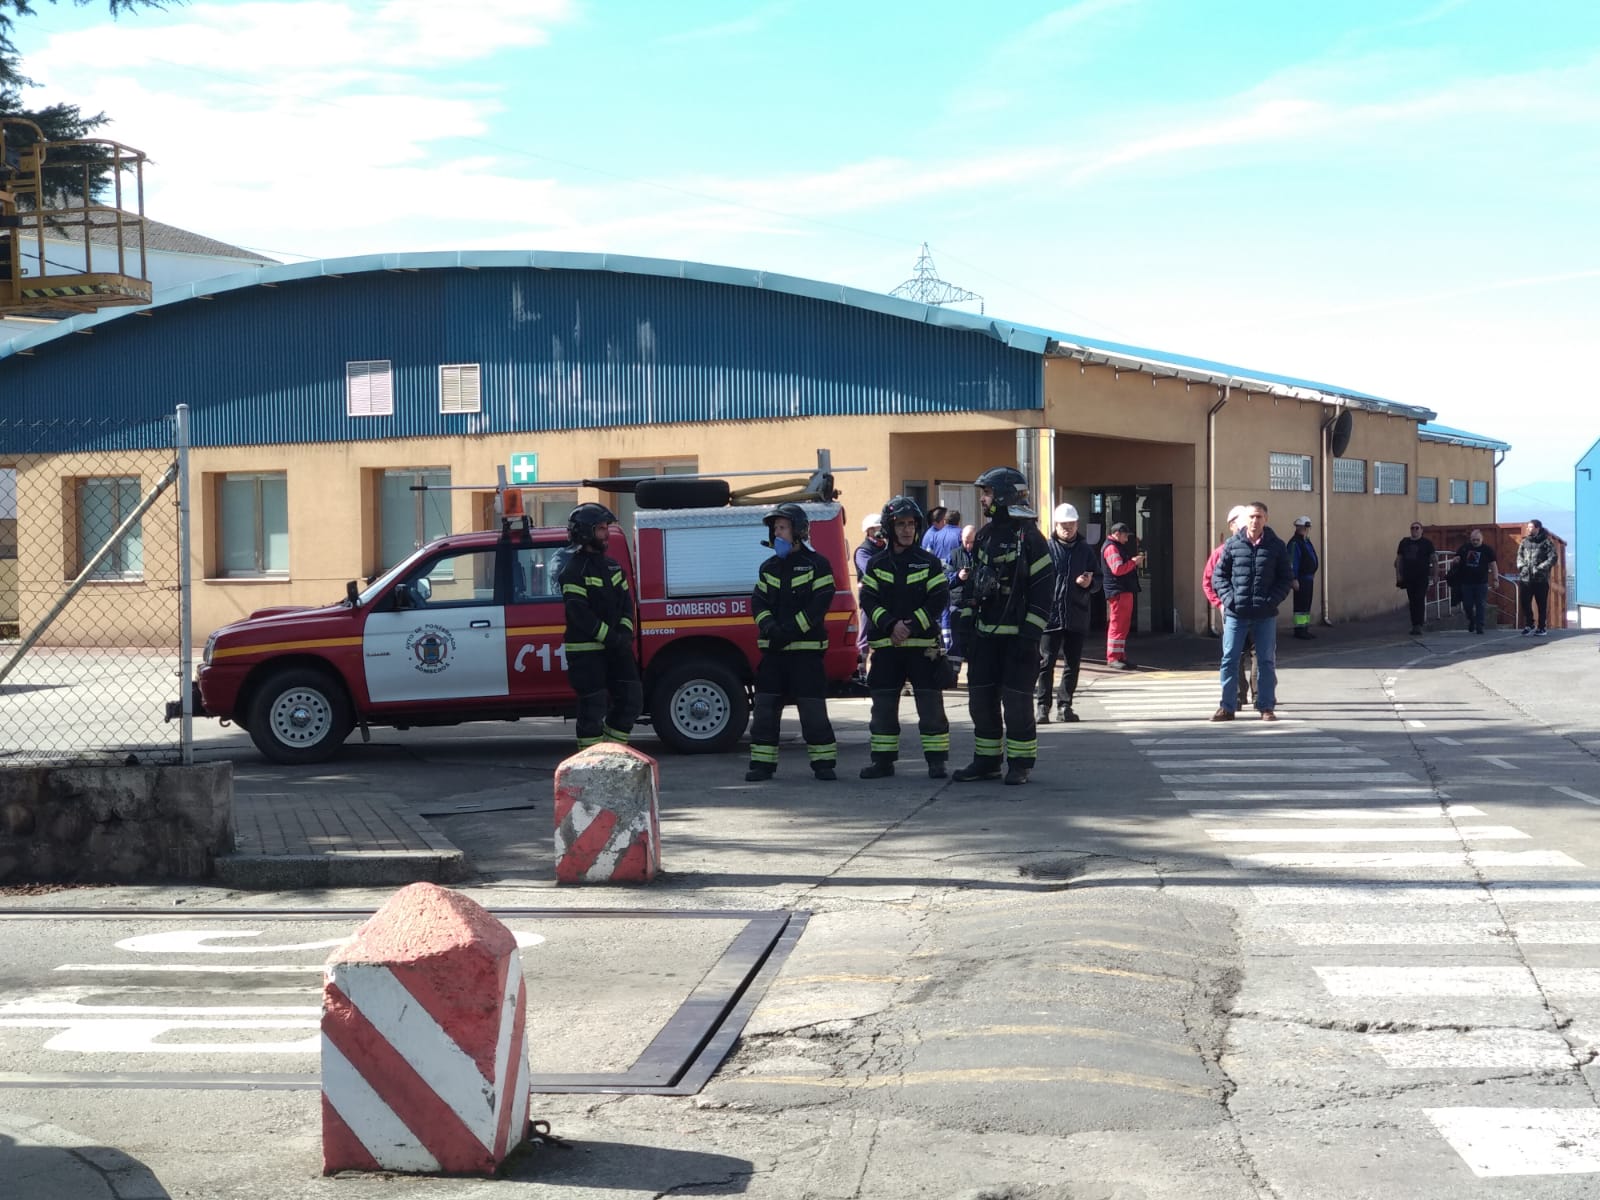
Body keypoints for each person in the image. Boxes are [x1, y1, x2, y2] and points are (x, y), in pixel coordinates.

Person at [953, 466, 1052, 786]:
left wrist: (1030, 635)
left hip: (1018, 641)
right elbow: (971, 587)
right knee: (980, 703)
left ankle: (1020, 765)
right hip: (985, 638)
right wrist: (966, 628)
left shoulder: (1031, 539)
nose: (983, 499)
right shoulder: (983, 536)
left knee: (1017, 705)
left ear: (1006, 496)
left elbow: (1043, 591)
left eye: (988, 493)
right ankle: (986, 762)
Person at [858, 496, 952, 780]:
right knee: (883, 708)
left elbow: (939, 598)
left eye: (911, 524)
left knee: (931, 708)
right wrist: (890, 625)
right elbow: (869, 600)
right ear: (889, 527)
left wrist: (909, 626)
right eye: (901, 524)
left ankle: (936, 762)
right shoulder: (876, 564)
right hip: (887, 649)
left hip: (923, 650)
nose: (907, 530)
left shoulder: (929, 562)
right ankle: (883, 762)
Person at [746, 503, 839, 782]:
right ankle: (762, 766)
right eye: (775, 529)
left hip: (806, 654)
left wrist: (790, 629)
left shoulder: (817, 565)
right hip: (774, 654)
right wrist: (769, 626)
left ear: (799, 531)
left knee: (812, 712)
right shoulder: (768, 567)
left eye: (782, 528)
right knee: (764, 711)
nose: (777, 534)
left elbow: (820, 604)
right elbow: (758, 602)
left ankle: (823, 764)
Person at [559, 502, 642, 749]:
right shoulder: (573, 571)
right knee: (593, 708)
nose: (606, 534)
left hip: (616, 648)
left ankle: (612, 751)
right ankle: (590, 764)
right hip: (586, 653)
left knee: (632, 701)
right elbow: (579, 615)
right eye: (601, 528)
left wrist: (625, 633)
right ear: (585, 532)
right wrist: (612, 638)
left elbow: (627, 605)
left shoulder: (612, 566)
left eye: (606, 528)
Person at [1211, 501, 1293, 722]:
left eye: (1259, 517)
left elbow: (1285, 579)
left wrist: (1271, 601)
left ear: (1265, 519)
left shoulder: (1276, 546)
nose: (1255, 521)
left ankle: (1266, 706)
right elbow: (1218, 577)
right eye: (1252, 517)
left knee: (1266, 660)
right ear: (1244, 520)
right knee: (1229, 659)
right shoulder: (1232, 545)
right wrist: (1230, 600)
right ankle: (1227, 707)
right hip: (1236, 614)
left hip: (1264, 615)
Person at [1036, 503, 1098, 723]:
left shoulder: (1085, 550)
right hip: (1050, 616)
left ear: (1076, 524)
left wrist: (1089, 583)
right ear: (1056, 525)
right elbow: (1036, 579)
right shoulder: (1046, 548)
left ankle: (1065, 706)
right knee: (1045, 663)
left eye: (1071, 524)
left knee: (1072, 664)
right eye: (1064, 525)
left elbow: (1098, 579)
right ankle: (1043, 706)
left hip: (1076, 613)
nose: (1067, 529)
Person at [1203, 506, 1255, 708]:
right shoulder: (1222, 552)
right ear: (1233, 525)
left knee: (1253, 653)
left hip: (1255, 610)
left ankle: (1253, 695)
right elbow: (1209, 580)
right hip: (1233, 611)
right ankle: (1243, 695)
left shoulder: (1260, 547)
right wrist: (1221, 603)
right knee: (1238, 653)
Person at [1100, 522, 1144, 669]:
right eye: (1125, 535)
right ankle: (1113, 657)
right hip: (1118, 591)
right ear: (1117, 533)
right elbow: (1117, 569)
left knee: (1123, 625)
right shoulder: (1111, 548)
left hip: (1123, 590)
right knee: (1117, 625)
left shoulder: (1115, 546)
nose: (1126, 539)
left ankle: (1120, 655)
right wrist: (1133, 562)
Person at [852, 513, 886, 679]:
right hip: (869, 599)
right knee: (864, 636)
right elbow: (871, 571)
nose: (882, 531)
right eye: (879, 528)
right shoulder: (863, 551)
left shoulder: (886, 547)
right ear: (870, 530)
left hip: (885, 598)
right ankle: (861, 670)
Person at [1516, 518, 1558, 636]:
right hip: (1525, 579)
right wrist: (1522, 567)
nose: (1529, 529)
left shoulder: (1546, 542)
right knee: (1525, 603)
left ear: (1537, 528)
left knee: (1541, 604)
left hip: (1540, 579)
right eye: (1528, 527)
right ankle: (1529, 624)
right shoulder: (1524, 542)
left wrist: (1541, 567)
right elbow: (1519, 556)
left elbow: (1553, 557)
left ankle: (1541, 627)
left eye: (1531, 527)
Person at [1394, 521, 1436, 636]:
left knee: (1419, 598)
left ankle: (1419, 624)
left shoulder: (1427, 543)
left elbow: (1434, 559)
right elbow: (1399, 559)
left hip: (1422, 577)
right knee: (1412, 601)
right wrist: (1398, 575)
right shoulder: (1404, 542)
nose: (1415, 530)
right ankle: (1414, 624)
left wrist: (1435, 575)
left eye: (1417, 528)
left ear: (1422, 530)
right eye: (1412, 528)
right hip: (1408, 577)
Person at [1453, 529, 1496, 634]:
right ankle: (1472, 620)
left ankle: (1480, 625)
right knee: (1467, 605)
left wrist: (1495, 579)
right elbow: (1456, 557)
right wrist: (1456, 560)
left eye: (1477, 540)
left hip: (1481, 582)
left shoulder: (1487, 549)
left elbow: (1493, 565)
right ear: (1470, 539)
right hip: (1466, 582)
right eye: (1473, 540)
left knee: (1480, 604)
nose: (1475, 542)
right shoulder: (1465, 548)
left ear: (1482, 539)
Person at [946, 524, 977, 665]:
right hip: (957, 604)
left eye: (972, 541)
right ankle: (953, 675)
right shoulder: (953, 554)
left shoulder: (980, 554)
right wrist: (958, 577)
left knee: (973, 643)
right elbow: (945, 578)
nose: (969, 545)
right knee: (955, 642)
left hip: (975, 605)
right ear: (961, 539)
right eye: (966, 541)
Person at [1287, 516, 1319, 640]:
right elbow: (1292, 562)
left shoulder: (1305, 541)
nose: (1306, 530)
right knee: (1301, 605)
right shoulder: (1295, 543)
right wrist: (1293, 578)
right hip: (1301, 578)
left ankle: (1304, 628)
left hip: (1308, 578)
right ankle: (1300, 630)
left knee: (1306, 605)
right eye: (1306, 527)